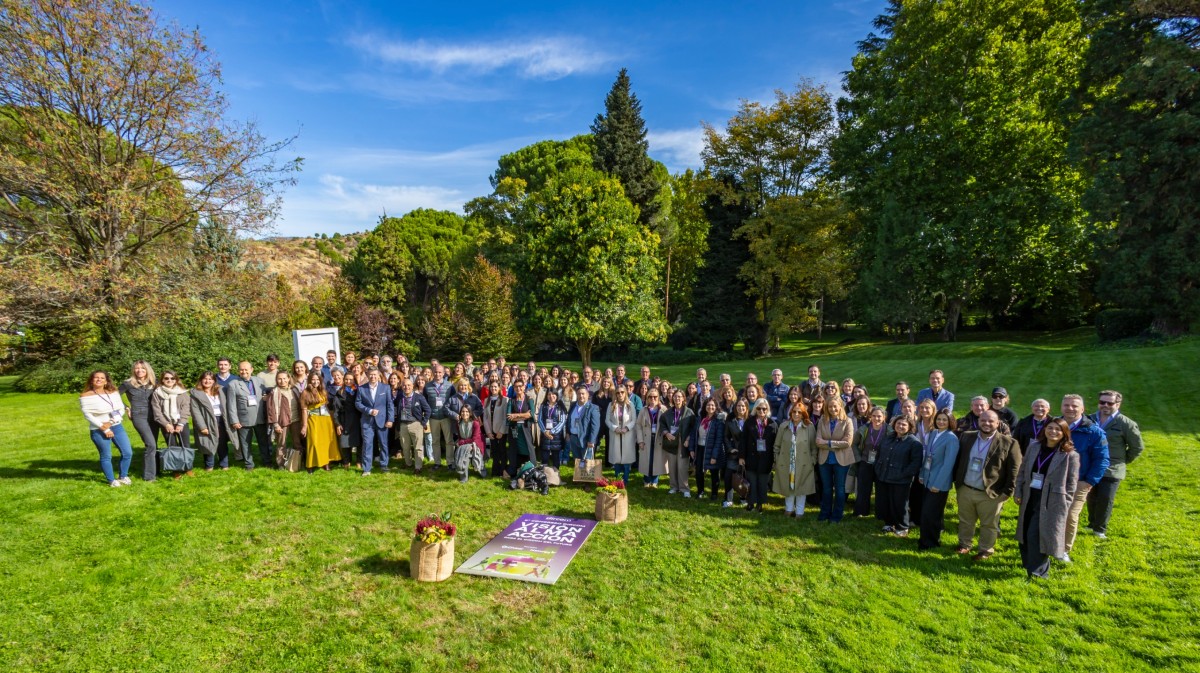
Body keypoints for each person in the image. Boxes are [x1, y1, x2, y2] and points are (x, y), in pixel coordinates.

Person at [1015, 418, 1080, 578]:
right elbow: (1022, 470)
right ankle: (1028, 563)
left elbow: (1071, 484)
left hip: (1052, 500)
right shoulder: (1034, 447)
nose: (1053, 432)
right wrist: (1018, 491)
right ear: (1044, 430)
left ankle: (1039, 573)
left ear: (1064, 433)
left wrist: (1065, 502)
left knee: (1037, 534)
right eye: (1050, 428)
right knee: (1024, 531)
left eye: (1058, 429)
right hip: (1030, 495)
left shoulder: (1070, 455)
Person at [954, 410, 1022, 560]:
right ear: (979, 421)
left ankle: (985, 550)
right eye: (983, 420)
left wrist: (1007, 492)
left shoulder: (1009, 443)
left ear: (998, 423)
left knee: (989, 524)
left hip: (991, 492)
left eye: (991, 421)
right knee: (965, 520)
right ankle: (964, 544)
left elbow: (1014, 470)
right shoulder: (966, 437)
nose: (986, 423)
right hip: (965, 488)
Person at [1086, 390, 1144, 540]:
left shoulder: (1126, 424)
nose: (1105, 405)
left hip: (1112, 468)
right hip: (1091, 466)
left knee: (1105, 498)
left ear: (1118, 404)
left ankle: (1100, 529)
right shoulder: (1089, 419)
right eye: (1102, 402)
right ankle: (1092, 523)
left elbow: (1137, 447)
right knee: (1091, 497)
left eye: (1109, 403)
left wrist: (1122, 461)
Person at [1060, 394, 1110, 556]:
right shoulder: (1053, 426)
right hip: (1053, 480)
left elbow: (1102, 459)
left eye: (1074, 406)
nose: (1070, 408)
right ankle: (1047, 544)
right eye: (1066, 405)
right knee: (1050, 514)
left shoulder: (1094, 432)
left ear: (1082, 409)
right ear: (1061, 407)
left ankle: (1064, 550)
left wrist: (1089, 482)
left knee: (1070, 515)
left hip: (1079, 482)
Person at [80, 370, 134, 487]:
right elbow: (88, 414)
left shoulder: (113, 393)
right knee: (106, 456)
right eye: (96, 377)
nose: (99, 379)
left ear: (106, 381)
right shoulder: (86, 396)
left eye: (102, 378)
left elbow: (121, 409)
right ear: (92, 380)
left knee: (127, 452)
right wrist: (104, 428)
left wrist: (110, 422)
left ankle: (123, 476)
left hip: (116, 425)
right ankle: (111, 480)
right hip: (98, 429)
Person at [917, 410, 961, 549]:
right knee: (925, 512)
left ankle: (931, 542)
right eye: (939, 419)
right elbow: (927, 456)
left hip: (938, 483)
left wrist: (938, 483)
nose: (941, 422)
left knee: (931, 514)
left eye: (944, 420)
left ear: (950, 422)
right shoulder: (934, 433)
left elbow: (948, 464)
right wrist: (922, 474)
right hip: (927, 479)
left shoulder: (951, 438)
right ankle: (924, 539)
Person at [875, 415, 923, 536]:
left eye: (904, 424)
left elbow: (915, 463)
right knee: (886, 501)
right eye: (898, 423)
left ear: (910, 427)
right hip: (884, 476)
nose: (900, 426)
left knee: (900, 504)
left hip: (901, 479)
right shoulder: (888, 438)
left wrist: (903, 474)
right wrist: (878, 468)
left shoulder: (914, 443)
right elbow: (879, 454)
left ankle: (902, 526)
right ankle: (889, 523)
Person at [815, 396, 856, 522]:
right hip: (824, 460)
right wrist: (836, 444)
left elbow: (847, 443)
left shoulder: (847, 421)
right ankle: (825, 513)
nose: (832, 409)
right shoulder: (822, 420)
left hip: (841, 460)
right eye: (830, 406)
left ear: (840, 406)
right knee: (826, 489)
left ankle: (837, 515)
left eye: (835, 406)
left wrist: (827, 443)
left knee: (840, 489)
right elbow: (818, 442)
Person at [118, 360, 159, 481]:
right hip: (139, 416)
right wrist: (126, 407)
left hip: (154, 416)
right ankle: (149, 477)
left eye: (143, 368)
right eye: (137, 368)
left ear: (147, 370)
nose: (139, 370)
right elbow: (113, 396)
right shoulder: (128, 384)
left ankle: (156, 471)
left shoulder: (154, 382)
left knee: (153, 444)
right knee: (150, 444)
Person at [774, 402, 817, 517]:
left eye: (799, 412)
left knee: (802, 486)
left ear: (803, 414)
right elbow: (777, 446)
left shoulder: (809, 427)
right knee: (789, 485)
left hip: (804, 463)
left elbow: (814, 447)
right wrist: (777, 460)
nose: (796, 414)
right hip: (786, 462)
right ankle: (789, 509)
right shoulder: (784, 426)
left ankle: (799, 511)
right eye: (794, 411)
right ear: (790, 412)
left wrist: (812, 461)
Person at [226, 361, 271, 470]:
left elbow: (265, 396)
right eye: (241, 369)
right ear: (238, 370)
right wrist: (234, 421)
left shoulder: (259, 381)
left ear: (251, 370)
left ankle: (267, 462)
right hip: (243, 419)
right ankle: (249, 464)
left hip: (260, 417)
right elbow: (231, 404)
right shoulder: (233, 384)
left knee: (263, 442)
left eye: (246, 369)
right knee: (245, 444)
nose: (244, 371)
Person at [151, 370, 193, 479]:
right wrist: (166, 424)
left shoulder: (182, 392)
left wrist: (181, 423)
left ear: (176, 380)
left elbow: (186, 408)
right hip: (166, 424)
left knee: (186, 446)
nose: (169, 380)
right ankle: (176, 470)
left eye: (172, 378)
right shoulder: (157, 393)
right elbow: (157, 412)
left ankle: (188, 468)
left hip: (181, 423)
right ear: (162, 380)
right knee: (172, 447)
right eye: (166, 378)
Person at [189, 371, 233, 471]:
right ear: (201, 380)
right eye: (205, 379)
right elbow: (195, 412)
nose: (207, 381)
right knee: (208, 443)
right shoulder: (196, 394)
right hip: (206, 420)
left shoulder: (220, 390)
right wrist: (202, 426)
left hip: (221, 419)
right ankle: (209, 465)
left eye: (210, 379)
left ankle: (224, 464)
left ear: (214, 381)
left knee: (222, 443)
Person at [739, 399, 777, 513]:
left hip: (766, 458)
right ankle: (751, 503)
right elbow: (743, 440)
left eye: (764, 409)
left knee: (763, 482)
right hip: (751, 456)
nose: (761, 411)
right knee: (752, 481)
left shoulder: (772, 424)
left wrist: (775, 460)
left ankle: (760, 504)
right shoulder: (749, 422)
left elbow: (776, 443)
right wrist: (741, 456)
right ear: (755, 409)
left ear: (767, 409)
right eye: (759, 408)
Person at [356, 368, 394, 475]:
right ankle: (367, 469)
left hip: (382, 420)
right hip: (367, 421)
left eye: (375, 375)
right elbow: (358, 403)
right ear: (367, 375)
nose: (373, 377)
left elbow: (389, 404)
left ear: (378, 375)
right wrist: (368, 410)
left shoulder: (385, 387)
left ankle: (384, 465)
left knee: (383, 444)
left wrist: (390, 419)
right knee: (367, 444)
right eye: (371, 375)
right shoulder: (361, 388)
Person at [300, 372, 340, 472]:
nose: (315, 381)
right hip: (313, 418)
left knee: (325, 442)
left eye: (317, 379)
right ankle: (310, 465)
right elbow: (304, 410)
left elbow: (326, 406)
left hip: (325, 419)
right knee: (313, 442)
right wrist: (304, 425)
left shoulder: (323, 391)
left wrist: (333, 420)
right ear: (309, 380)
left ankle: (326, 463)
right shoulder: (305, 392)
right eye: (313, 379)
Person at [853, 407, 888, 518]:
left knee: (881, 489)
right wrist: (859, 458)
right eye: (874, 416)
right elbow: (854, 444)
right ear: (870, 417)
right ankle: (861, 511)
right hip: (865, 462)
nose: (876, 418)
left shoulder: (889, 430)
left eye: (879, 416)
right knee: (863, 488)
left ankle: (881, 513)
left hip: (881, 464)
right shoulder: (864, 429)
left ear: (884, 417)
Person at [662, 389, 696, 497]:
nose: (677, 398)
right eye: (675, 396)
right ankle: (673, 487)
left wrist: (688, 439)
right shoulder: (668, 412)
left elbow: (694, 427)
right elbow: (662, 424)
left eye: (679, 396)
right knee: (672, 465)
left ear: (683, 398)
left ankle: (684, 488)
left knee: (682, 466)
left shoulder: (689, 412)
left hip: (683, 442)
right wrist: (666, 433)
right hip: (671, 441)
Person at [394, 377, 430, 473]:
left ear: (413, 386)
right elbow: (396, 409)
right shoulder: (399, 397)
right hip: (403, 425)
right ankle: (408, 463)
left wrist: (423, 422)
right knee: (405, 447)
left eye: (409, 385)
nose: (406, 387)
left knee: (418, 447)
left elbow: (428, 410)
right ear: (402, 387)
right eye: (404, 385)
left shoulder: (419, 397)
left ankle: (418, 466)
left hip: (416, 424)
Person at [267, 371, 302, 470]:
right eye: (279, 379)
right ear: (276, 380)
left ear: (288, 379)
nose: (282, 381)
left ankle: (297, 462)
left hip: (296, 420)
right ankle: (281, 464)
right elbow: (271, 410)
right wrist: (275, 424)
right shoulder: (274, 392)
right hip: (282, 421)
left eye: (284, 378)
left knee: (297, 442)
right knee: (281, 443)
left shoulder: (294, 390)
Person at [423, 364, 455, 469]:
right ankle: (437, 462)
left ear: (444, 373)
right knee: (435, 441)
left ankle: (450, 462)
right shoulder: (427, 386)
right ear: (433, 372)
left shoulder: (449, 386)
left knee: (449, 441)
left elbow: (453, 400)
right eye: (436, 372)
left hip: (446, 417)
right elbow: (425, 403)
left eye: (440, 372)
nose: (437, 374)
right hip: (433, 418)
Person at [636, 389, 669, 488]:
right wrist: (640, 440)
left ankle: (654, 481)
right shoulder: (643, 410)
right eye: (650, 397)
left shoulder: (663, 409)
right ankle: (646, 480)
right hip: (646, 438)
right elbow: (638, 425)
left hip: (659, 438)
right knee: (647, 460)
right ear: (647, 398)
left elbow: (668, 424)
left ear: (658, 398)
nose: (653, 399)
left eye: (655, 397)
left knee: (657, 460)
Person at [331, 369, 362, 469]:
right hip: (344, 419)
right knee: (345, 442)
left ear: (354, 380)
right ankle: (346, 461)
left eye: (351, 379)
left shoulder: (359, 391)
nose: (348, 381)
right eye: (346, 379)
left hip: (357, 419)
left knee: (359, 441)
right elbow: (336, 410)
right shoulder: (339, 392)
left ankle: (359, 460)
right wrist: (337, 424)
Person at [606, 386, 637, 483]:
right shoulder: (611, 404)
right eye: (618, 392)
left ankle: (625, 480)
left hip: (627, 434)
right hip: (615, 433)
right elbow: (607, 420)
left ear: (625, 393)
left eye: (622, 392)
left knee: (626, 458)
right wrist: (615, 428)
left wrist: (627, 428)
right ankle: (618, 480)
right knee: (616, 457)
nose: (620, 394)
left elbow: (634, 420)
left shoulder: (630, 404)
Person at [722, 398, 749, 507]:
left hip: (747, 454)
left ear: (746, 407)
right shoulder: (730, 420)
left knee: (744, 476)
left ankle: (743, 497)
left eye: (743, 406)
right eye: (738, 406)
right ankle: (728, 499)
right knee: (729, 475)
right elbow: (726, 437)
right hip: (734, 453)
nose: (740, 408)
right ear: (735, 407)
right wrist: (730, 449)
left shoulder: (751, 420)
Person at [698, 397, 726, 501]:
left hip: (713, 449)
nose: (710, 407)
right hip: (700, 448)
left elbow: (719, 440)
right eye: (708, 405)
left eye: (713, 405)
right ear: (705, 407)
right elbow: (694, 434)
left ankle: (714, 493)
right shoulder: (700, 419)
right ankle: (700, 491)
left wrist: (714, 456)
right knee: (699, 472)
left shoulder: (718, 421)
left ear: (716, 407)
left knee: (714, 472)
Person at [565, 386, 601, 465]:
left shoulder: (593, 408)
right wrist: (568, 432)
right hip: (573, 437)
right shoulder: (573, 405)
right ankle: (579, 473)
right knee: (577, 462)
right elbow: (569, 420)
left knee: (587, 462)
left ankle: (587, 473)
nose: (581, 396)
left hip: (586, 439)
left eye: (583, 394)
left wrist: (591, 440)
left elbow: (595, 426)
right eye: (579, 394)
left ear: (588, 395)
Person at [483, 381, 511, 478]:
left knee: (502, 451)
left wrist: (501, 431)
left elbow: (505, 417)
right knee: (494, 451)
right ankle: (495, 471)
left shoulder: (505, 400)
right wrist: (488, 432)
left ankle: (503, 470)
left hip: (501, 430)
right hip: (491, 431)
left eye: (495, 387)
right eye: (491, 387)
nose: (493, 388)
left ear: (499, 388)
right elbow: (485, 418)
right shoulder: (486, 400)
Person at [453, 404, 486, 483]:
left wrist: (462, 442)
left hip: (476, 443)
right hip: (464, 443)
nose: (464, 413)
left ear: (470, 413)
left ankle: (482, 470)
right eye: (463, 411)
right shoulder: (458, 423)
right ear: (460, 413)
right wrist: (461, 443)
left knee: (466, 450)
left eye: (467, 411)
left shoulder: (475, 423)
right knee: (464, 452)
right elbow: (460, 437)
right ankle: (463, 476)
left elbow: (474, 438)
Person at [507, 385, 535, 469]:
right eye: (516, 387)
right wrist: (525, 415)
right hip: (514, 429)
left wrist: (516, 415)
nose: (518, 388)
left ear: (524, 388)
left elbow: (531, 414)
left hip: (526, 428)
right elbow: (509, 417)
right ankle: (515, 468)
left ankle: (531, 467)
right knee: (515, 447)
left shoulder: (529, 399)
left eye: (520, 386)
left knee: (528, 447)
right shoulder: (511, 401)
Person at [539, 389, 568, 469]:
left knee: (556, 458)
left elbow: (562, 421)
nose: (551, 396)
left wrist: (552, 431)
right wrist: (545, 431)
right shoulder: (543, 406)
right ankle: (544, 474)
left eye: (553, 394)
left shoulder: (560, 406)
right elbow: (540, 419)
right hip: (545, 435)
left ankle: (556, 474)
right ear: (546, 396)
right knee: (544, 458)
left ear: (557, 395)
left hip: (556, 436)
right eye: (549, 394)